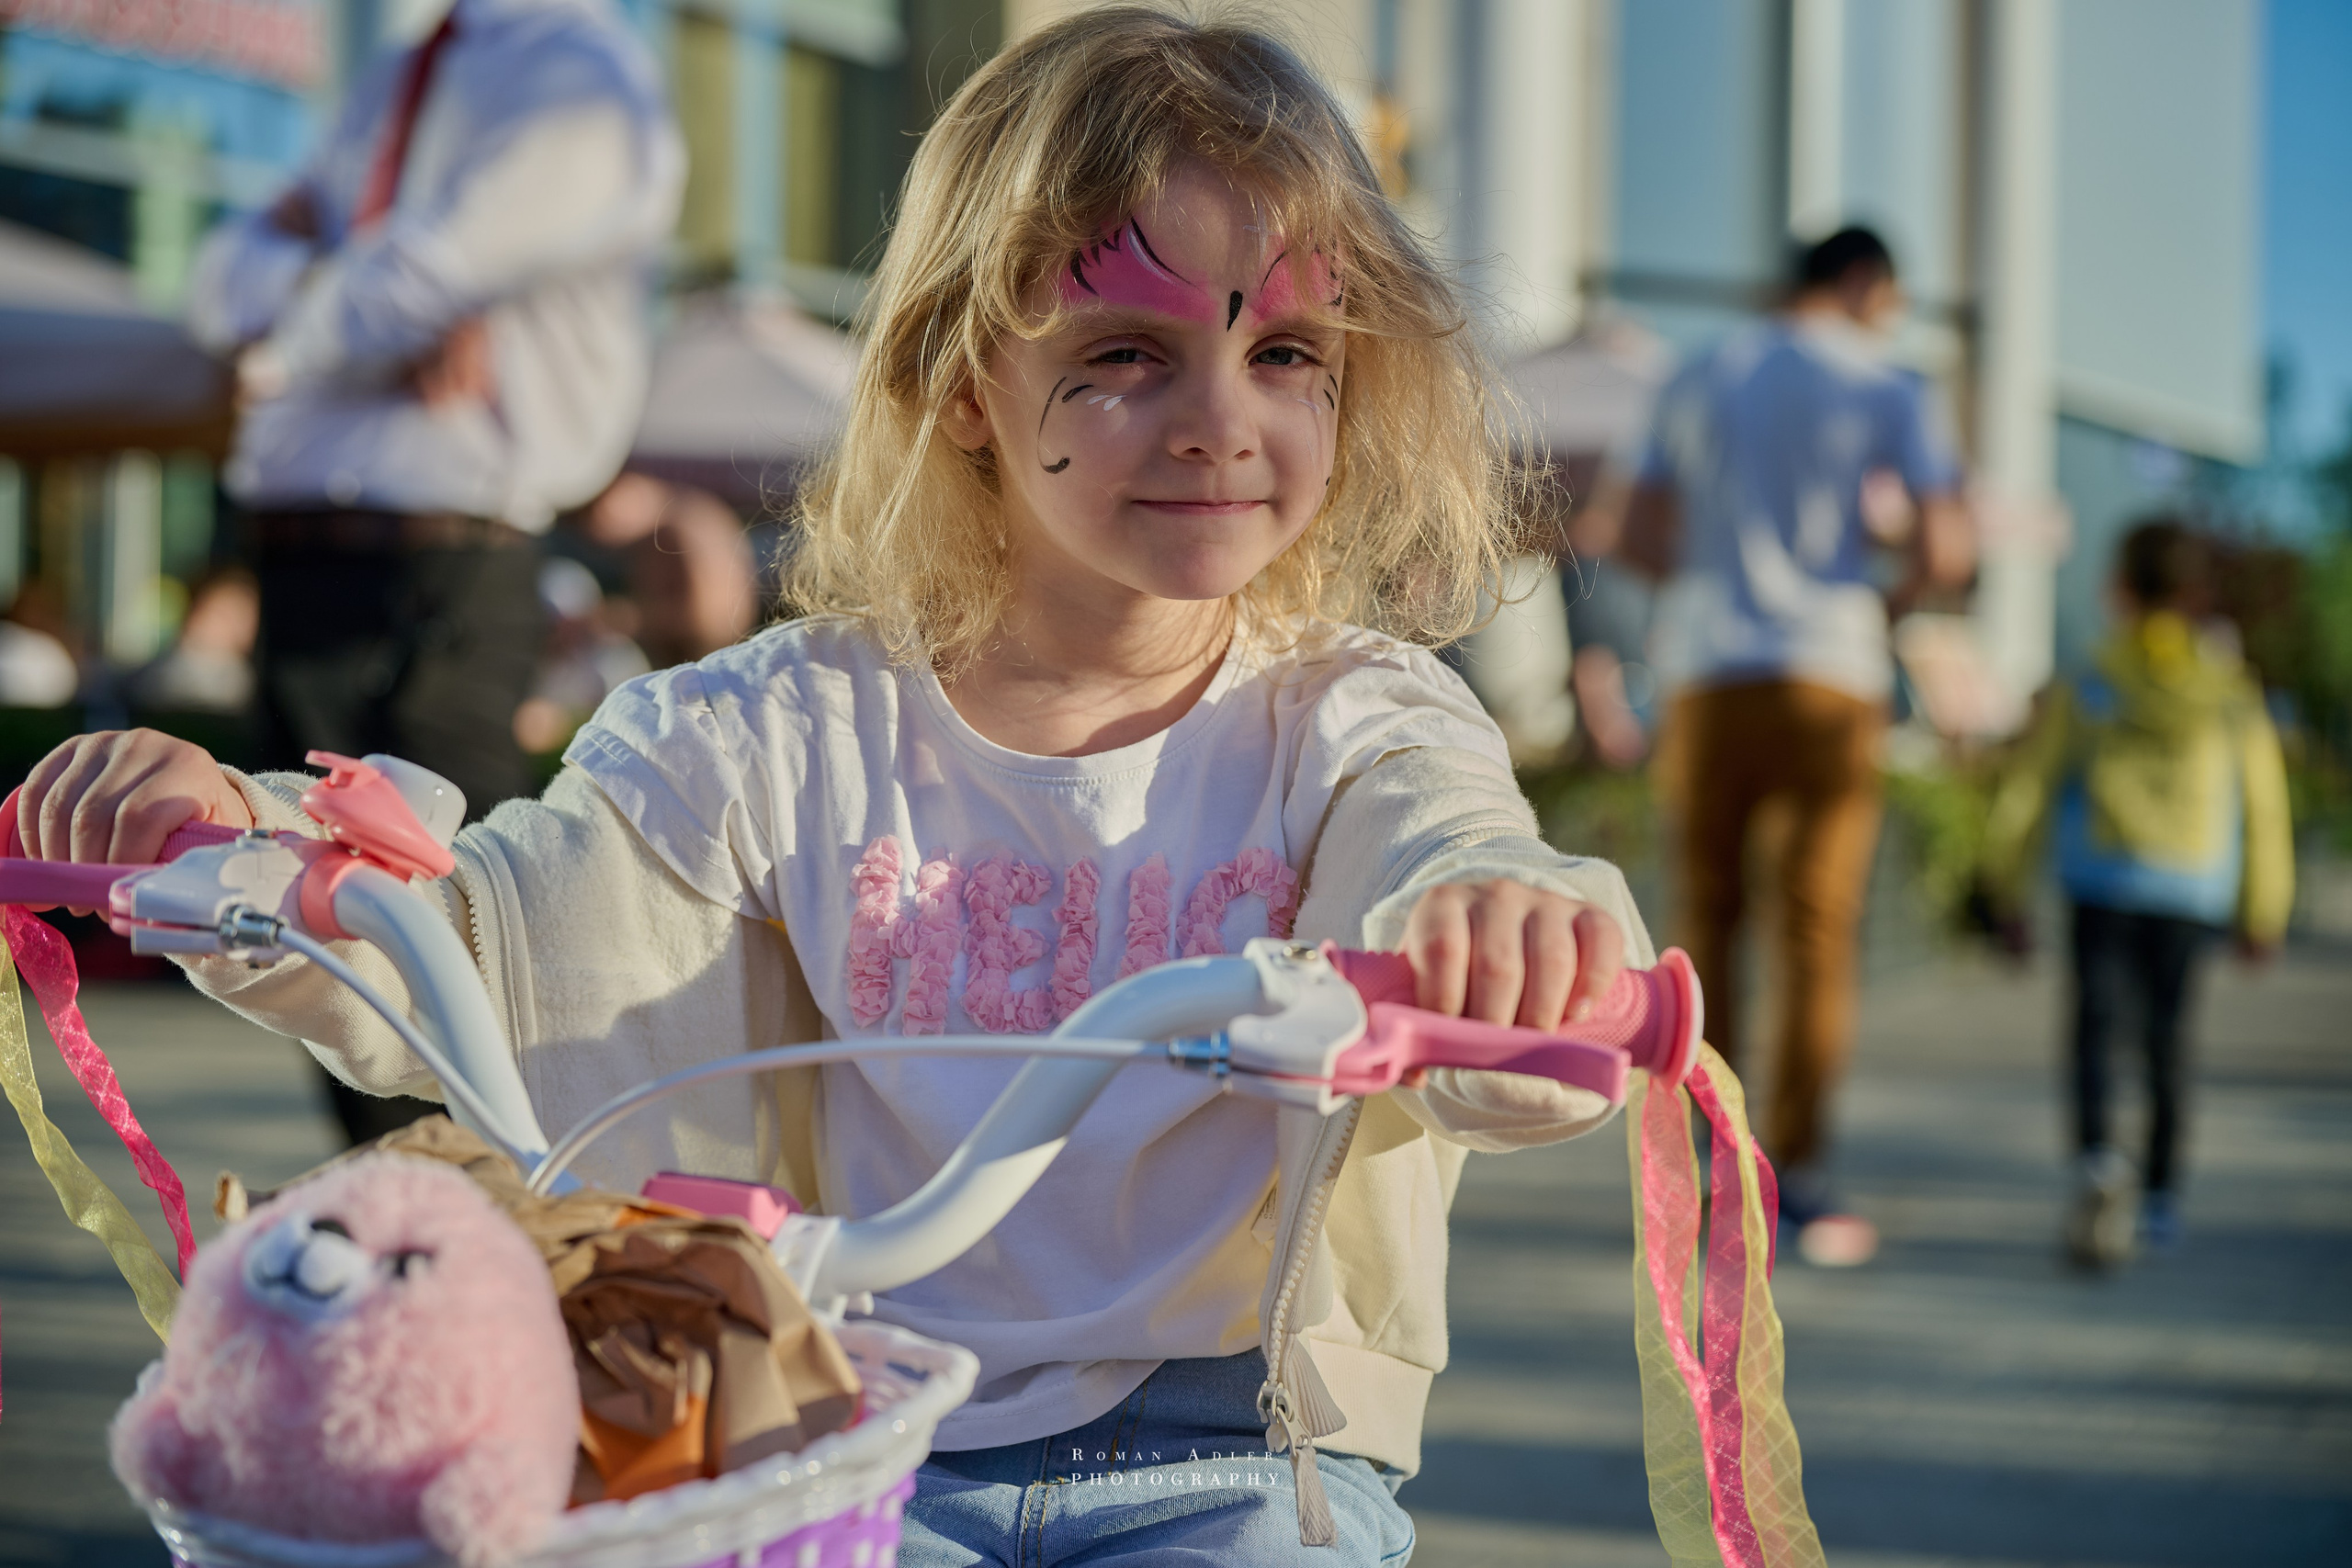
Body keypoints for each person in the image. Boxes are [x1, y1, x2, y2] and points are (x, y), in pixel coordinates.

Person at [13, 10, 1657, 1562]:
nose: (1221, 421)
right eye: (1124, 355)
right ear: (962, 390)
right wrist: (256, 843)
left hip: (1235, 1442)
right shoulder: (775, 727)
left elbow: (1446, 855)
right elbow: (501, 944)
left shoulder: (1356, 720)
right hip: (855, 1422)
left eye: (1289, 349)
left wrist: (1506, 936)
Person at [184, 0, 682, 1145]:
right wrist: (361, 300)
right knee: (320, 960)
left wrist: (299, 323)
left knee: (456, 975)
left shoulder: (581, 76)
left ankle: (493, 1276)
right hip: (309, 573)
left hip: (446, 576)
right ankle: (414, 1262)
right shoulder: (403, 75)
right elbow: (223, 280)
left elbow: (407, 280)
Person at [1608, 225, 1975, 1266]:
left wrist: (1714, 580)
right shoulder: (1889, 385)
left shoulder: (1697, 372)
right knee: (1815, 929)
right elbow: (1948, 547)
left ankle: (1706, 1177)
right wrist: (1883, 601)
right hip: (1831, 673)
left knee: (1705, 921)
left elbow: (1629, 531)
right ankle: (1799, 1177)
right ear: (1862, 282)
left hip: (1706, 673)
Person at [1980, 518, 2293, 1270]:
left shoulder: (2092, 675)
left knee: (2094, 1024)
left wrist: (2002, 882)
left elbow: (2031, 785)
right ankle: (2159, 1198)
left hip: (2103, 877)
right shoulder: (2226, 688)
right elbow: (2264, 801)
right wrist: (2264, 907)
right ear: (2194, 591)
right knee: (2168, 1037)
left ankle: (2098, 1162)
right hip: (2190, 884)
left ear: (2121, 587)